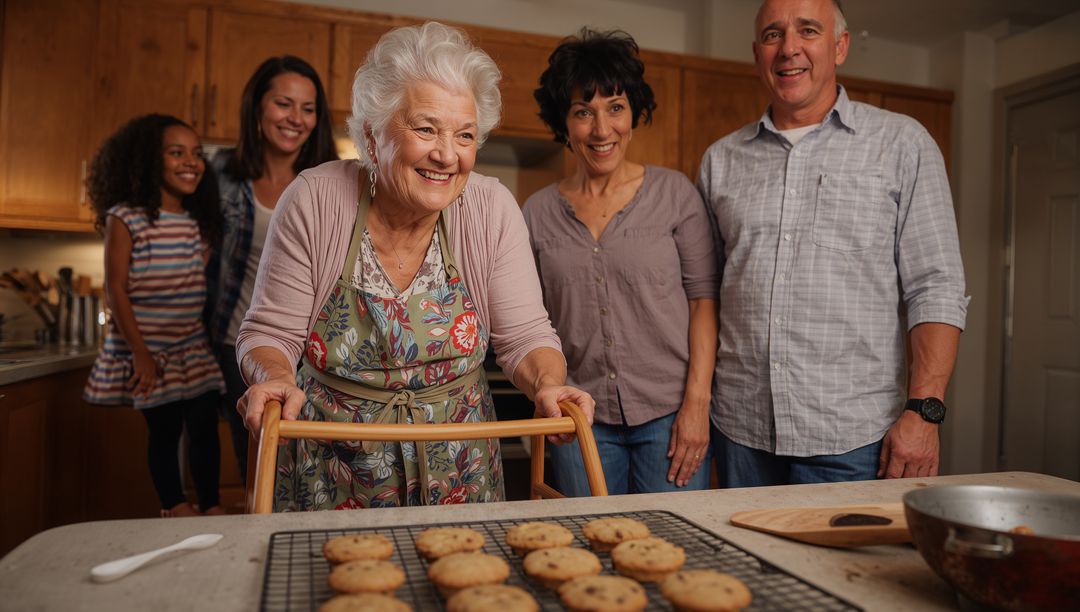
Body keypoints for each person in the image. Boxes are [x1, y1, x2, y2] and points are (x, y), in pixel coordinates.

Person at [234, 22, 595, 511]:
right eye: (425, 128)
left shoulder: (490, 208)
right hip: (333, 471)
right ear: (372, 133)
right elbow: (269, 334)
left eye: (464, 135)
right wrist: (274, 375)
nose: (447, 155)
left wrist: (549, 386)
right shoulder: (315, 199)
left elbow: (526, 337)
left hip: (461, 473)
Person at [697, 0, 968, 487]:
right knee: (744, 564)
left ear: (840, 45)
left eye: (807, 31)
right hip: (740, 432)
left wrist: (924, 412)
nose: (789, 49)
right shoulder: (720, 161)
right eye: (773, 35)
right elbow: (707, 295)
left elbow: (936, 287)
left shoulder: (903, 144)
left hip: (856, 438)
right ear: (757, 52)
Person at [523, 29, 718, 495]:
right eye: (582, 112)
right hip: (578, 419)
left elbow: (703, 303)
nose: (602, 129)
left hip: (670, 417)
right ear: (564, 124)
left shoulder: (676, 196)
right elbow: (528, 320)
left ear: (634, 112)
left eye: (615, 107)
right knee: (588, 551)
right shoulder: (535, 213)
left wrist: (697, 404)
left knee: (672, 551)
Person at [83, 114, 226, 517]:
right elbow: (115, 288)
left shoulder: (201, 220)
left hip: (191, 346)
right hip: (148, 348)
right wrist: (139, 352)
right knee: (163, 431)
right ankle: (175, 505)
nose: (190, 162)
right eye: (176, 152)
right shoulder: (126, 217)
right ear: (149, 160)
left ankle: (211, 503)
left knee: (202, 428)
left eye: (197, 154)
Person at [205, 56, 338, 483]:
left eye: (308, 108)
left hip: (316, 351)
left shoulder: (331, 183)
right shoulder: (221, 176)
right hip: (237, 346)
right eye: (284, 104)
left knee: (315, 466)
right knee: (259, 461)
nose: (295, 119)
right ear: (258, 107)